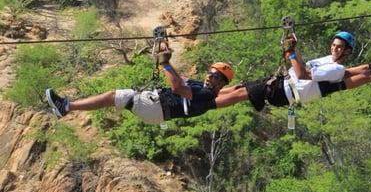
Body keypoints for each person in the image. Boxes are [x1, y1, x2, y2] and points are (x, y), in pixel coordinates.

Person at [46, 53, 236, 125]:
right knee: (116, 96)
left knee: (114, 96)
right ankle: (66, 107)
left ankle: (66, 106)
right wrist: (163, 54)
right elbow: (179, 79)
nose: (210, 76)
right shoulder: (199, 85)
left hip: (157, 108)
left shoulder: (206, 94)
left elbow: (177, 87)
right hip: (156, 106)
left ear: (221, 83)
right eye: (210, 72)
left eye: (216, 76)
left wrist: (166, 63)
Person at [215, 31, 365, 111]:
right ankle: (209, 93)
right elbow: (302, 65)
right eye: (333, 45)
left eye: (339, 47)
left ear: (347, 52)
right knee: (239, 88)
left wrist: (291, 52)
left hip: (286, 91)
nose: (334, 48)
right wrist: (293, 47)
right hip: (282, 83)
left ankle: (208, 103)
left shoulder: (337, 69)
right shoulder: (327, 59)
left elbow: (302, 75)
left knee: (240, 95)